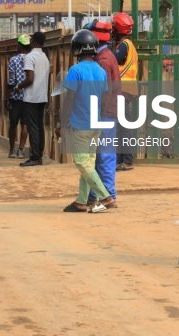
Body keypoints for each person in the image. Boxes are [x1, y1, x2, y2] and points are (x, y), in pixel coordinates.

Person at [60, 30, 115, 214]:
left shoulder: (75, 70)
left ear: (76, 49)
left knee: (82, 163)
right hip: (96, 124)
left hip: (81, 124)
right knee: (89, 165)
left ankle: (105, 197)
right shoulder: (100, 70)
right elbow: (104, 96)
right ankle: (81, 202)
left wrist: (62, 121)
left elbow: (70, 97)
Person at [85, 20, 121, 207]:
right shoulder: (107, 56)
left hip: (104, 112)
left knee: (103, 155)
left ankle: (107, 195)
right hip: (108, 111)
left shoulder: (103, 61)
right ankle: (101, 194)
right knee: (102, 155)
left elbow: (104, 92)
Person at [14, 31, 50, 167]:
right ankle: (39, 155)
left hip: (31, 97)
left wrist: (19, 86)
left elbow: (29, 79)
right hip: (42, 96)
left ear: (33, 40)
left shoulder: (29, 57)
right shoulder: (44, 57)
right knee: (40, 127)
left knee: (32, 127)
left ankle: (34, 157)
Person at [112, 12, 138, 171]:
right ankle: (122, 159)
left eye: (113, 28)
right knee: (122, 126)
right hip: (125, 89)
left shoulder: (124, 45)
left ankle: (127, 160)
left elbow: (115, 60)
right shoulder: (127, 44)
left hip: (123, 88)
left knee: (124, 126)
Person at [7, 34, 30, 159]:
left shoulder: (13, 60)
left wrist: (8, 96)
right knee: (25, 124)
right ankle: (21, 150)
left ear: (19, 45)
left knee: (13, 124)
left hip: (15, 97)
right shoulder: (32, 59)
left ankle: (11, 150)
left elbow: (11, 80)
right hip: (28, 97)